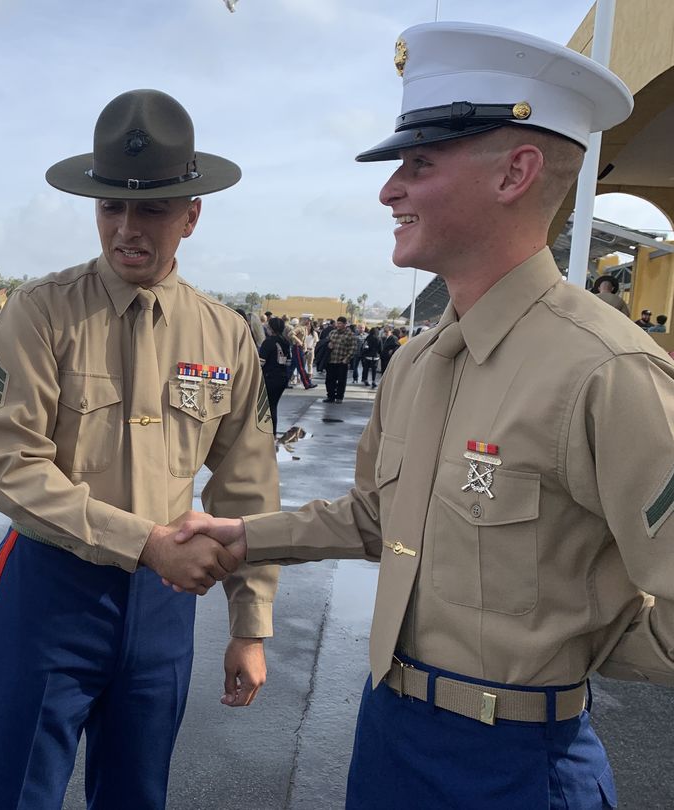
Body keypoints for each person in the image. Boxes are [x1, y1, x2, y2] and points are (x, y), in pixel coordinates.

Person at [173, 22, 674, 808]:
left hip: (517, 762)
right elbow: (376, 516)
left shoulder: (606, 371)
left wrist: (584, 639)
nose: (389, 190)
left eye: (420, 164)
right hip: (389, 734)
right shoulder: (417, 362)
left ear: (515, 173)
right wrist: (243, 537)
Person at [0, 89, 281, 810]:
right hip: (51, 591)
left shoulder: (225, 335)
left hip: (164, 609)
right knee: (11, 793)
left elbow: (247, 487)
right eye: (111, 206)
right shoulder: (42, 312)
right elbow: (11, 469)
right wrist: (145, 543)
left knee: (137, 795)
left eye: (154, 210)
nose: (128, 229)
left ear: (192, 215)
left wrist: (250, 624)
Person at [259, 316, 291, 435]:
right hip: (282, 377)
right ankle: (272, 432)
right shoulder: (285, 342)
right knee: (273, 405)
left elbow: (261, 362)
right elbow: (288, 361)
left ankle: (267, 432)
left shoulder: (268, 342)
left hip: (269, 377)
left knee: (266, 406)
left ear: (271, 328)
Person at [324, 316, 357, 403]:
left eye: (340, 323)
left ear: (345, 324)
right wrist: (328, 345)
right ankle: (330, 396)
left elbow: (353, 348)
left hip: (342, 361)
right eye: (337, 323)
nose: (338, 325)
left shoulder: (350, 335)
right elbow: (325, 342)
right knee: (329, 380)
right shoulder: (332, 333)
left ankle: (339, 397)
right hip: (331, 360)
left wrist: (346, 359)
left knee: (341, 381)